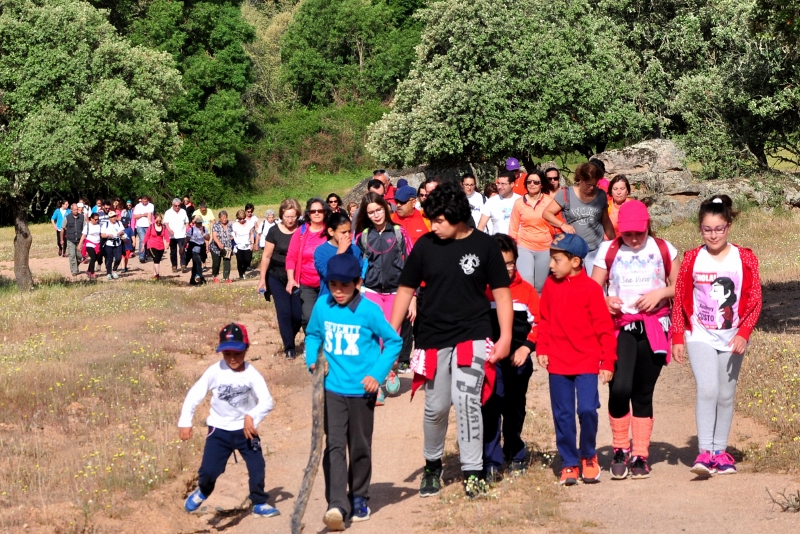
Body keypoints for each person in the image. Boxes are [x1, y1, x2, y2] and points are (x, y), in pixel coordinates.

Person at [388, 182, 513, 499]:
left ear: (457, 217)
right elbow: (405, 290)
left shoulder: (485, 247)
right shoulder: (425, 247)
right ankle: (432, 465)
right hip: (432, 335)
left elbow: (502, 293)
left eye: (440, 219)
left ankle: (474, 471)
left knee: (467, 400)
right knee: (437, 407)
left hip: (473, 332)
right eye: (431, 219)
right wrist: (391, 334)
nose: (434, 225)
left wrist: (507, 336)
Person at [305, 254, 402, 530]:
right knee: (334, 445)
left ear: (358, 283)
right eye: (333, 284)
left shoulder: (370, 311)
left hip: (362, 392)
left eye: (345, 285)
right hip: (332, 390)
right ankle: (336, 503)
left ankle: (359, 496)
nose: (338, 290)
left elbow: (394, 342)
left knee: (359, 446)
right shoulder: (323, 307)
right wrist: (312, 360)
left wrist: (377, 375)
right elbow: (313, 335)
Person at [671, 195, 762, 477]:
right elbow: (680, 297)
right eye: (707, 229)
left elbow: (755, 298)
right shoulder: (691, 259)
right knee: (708, 390)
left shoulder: (744, 257)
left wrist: (744, 333)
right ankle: (705, 452)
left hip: (733, 337)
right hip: (700, 334)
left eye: (719, 228)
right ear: (700, 228)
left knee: (726, 395)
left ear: (729, 226)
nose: (713, 234)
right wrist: (677, 337)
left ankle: (721, 453)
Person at [590, 200, 680, 479]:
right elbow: (591, 289)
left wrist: (661, 294)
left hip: (654, 327)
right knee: (619, 388)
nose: (633, 239)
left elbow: (680, 287)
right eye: (627, 234)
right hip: (620, 327)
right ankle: (619, 448)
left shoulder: (664, 248)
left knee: (643, 392)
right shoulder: (609, 249)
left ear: (647, 226)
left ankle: (640, 454)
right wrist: (605, 300)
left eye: (638, 234)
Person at [536, 233, 617, 486]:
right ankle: (569, 462)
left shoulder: (592, 289)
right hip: (558, 362)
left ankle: (589, 455)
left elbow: (605, 329)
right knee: (563, 414)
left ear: (575, 261)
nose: (551, 265)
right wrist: (542, 348)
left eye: (556, 259)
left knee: (586, 410)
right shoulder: (550, 285)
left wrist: (607, 362)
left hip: (586, 362)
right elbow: (544, 320)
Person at [179, 323, 279, 519]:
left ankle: (259, 502)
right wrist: (185, 421)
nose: (232, 359)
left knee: (257, 467)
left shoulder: (251, 374)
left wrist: (252, 416)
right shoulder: (215, 371)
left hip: (246, 430)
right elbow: (194, 394)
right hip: (219, 430)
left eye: (237, 353)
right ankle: (203, 491)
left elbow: (267, 400)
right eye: (227, 354)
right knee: (209, 471)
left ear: (247, 349)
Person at [482, 234, 540, 484]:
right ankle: (492, 459)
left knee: (515, 408)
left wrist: (526, 348)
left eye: (510, 263)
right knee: (492, 407)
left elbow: (540, 323)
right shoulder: (481, 291)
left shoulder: (526, 291)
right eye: (499, 263)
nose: (505, 269)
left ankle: (515, 449)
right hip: (490, 362)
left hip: (518, 360)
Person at [355, 193, 413, 404]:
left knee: (391, 335)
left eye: (378, 210)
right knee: (374, 337)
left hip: (396, 292)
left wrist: (413, 296)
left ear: (386, 208)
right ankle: (376, 386)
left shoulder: (399, 233)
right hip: (370, 291)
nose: (376, 215)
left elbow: (412, 266)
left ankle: (391, 368)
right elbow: (356, 265)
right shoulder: (362, 237)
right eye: (371, 212)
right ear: (366, 214)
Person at [543, 162, 616, 272]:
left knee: (594, 284)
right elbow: (546, 213)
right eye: (588, 184)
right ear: (580, 179)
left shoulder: (601, 195)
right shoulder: (566, 194)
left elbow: (606, 221)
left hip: (596, 248)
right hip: (574, 250)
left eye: (594, 185)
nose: (591, 188)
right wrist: (562, 225)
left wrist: (614, 243)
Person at [258, 199, 303, 359]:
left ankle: (288, 335)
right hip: (276, 275)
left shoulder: (302, 230)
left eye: (293, 216)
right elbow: (266, 256)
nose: (290, 220)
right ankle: (289, 348)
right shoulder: (274, 232)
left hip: (297, 275)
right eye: (287, 216)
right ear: (281, 215)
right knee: (284, 311)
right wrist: (262, 279)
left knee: (298, 314)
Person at [286, 198, 330, 333]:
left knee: (326, 317)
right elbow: (291, 256)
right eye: (313, 211)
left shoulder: (330, 231)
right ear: (308, 214)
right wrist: (291, 279)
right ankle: (311, 344)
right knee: (308, 316)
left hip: (327, 283)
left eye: (320, 211)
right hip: (306, 283)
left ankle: (326, 347)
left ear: (325, 212)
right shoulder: (301, 232)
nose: (316, 213)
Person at [508, 169, 556, 294]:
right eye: (529, 182)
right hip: (524, 247)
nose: (532, 184)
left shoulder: (550, 201)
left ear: (541, 184)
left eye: (536, 182)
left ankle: (537, 312)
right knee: (527, 283)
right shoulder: (518, 203)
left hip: (545, 248)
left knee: (540, 286)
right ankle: (527, 312)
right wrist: (513, 249)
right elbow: (513, 228)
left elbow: (556, 224)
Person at [314, 212, 361, 297]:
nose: (347, 235)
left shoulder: (355, 249)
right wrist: (340, 252)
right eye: (343, 232)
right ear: (331, 231)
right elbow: (327, 274)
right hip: (329, 299)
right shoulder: (321, 251)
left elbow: (360, 273)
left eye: (349, 231)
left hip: (351, 299)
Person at [163, 198, 190, 274]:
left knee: (182, 250)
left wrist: (187, 231)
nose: (177, 207)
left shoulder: (183, 211)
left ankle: (183, 265)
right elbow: (165, 223)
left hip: (182, 235)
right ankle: (174, 266)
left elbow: (187, 222)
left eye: (179, 205)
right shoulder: (168, 212)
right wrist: (169, 230)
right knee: (173, 252)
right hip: (172, 236)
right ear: (172, 205)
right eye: (176, 206)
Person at [101, 211, 126, 280]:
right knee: (109, 259)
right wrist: (108, 235)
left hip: (118, 242)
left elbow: (123, 231)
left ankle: (114, 270)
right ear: (109, 218)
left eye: (115, 216)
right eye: (112, 217)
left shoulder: (119, 223)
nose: (114, 218)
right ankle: (109, 273)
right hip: (109, 243)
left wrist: (120, 232)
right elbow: (102, 235)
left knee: (118, 258)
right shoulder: (105, 224)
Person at [210, 210, 234, 283]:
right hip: (216, 248)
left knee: (227, 261)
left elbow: (233, 233)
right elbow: (214, 236)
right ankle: (215, 276)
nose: (224, 219)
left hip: (227, 247)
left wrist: (233, 237)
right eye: (222, 217)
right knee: (216, 263)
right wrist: (219, 243)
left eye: (225, 217)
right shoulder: (216, 225)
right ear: (219, 218)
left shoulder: (230, 224)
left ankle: (226, 278)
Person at [143, 212, 169, 280]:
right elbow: (146, 236)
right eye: (157, 220)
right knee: (156, 259)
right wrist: (143, 245)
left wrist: (167, 243)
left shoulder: (164, 227)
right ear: (154, 220)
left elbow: (166, 236)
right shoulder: (151, 227)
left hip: (160, 246)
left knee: (157, 261)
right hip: (151, 245)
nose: (158, 222)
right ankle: (157, 275)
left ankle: (154, 275)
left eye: (160, 221)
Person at [186, 214, 210, 285]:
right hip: (193, 250)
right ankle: (201, 278)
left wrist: (202, 232)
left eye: (201, 222)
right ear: (195, 222)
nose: (200, 224)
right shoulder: (191, 229)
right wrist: (182, 247)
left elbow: (208, 238)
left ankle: (192, 280)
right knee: (198, 262)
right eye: (198, 222)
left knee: (195, 265)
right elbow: (187, 239)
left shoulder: (204, 229)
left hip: (201, 250)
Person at [61, 203, 85, 276]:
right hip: (70, 239)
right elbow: (62, 228)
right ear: (71, 210)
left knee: (80, 256)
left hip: (79, 240)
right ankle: (74, 271)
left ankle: (75, 266)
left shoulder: (82, 217)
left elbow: (85, 229)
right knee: (72, 255)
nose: (76, 211)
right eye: (74, 210)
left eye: (77, 209)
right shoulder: (67, 218)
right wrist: (61, 239)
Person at [232, 209, 255, 280]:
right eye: (240, 219)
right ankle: (241, 275)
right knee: (240, 260)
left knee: (248, 260)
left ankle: (243, 271)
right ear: (237, 218)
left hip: (247, 245)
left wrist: (252, 243)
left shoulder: (249, 224)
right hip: (238, 246)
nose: (242, 220)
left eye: (243, 218)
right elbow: (233, 235)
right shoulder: (235, 225)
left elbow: (251, 234)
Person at [80, 213, 102, 280]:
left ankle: (89, 270)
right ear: (91, 219)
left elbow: (101, 234)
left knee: (95, 258)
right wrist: (80, 244)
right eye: (95, 219)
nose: (97, 221)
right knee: (93, 257)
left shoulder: (99, 226)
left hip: (97, 244)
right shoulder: (87, 226)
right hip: (89, 244)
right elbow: (83, 235)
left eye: (98, 219)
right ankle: (92, 273)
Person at [132, 196, 154, 262]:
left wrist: (150, 222)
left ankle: (146, 254)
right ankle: (141, 256)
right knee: (142, 240)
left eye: (146, 201)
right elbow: (135, 216)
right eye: (143, 201)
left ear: (148, 200)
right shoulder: (138, 206)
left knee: (147, 240)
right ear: (141, 200)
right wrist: (143, 215)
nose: (144, 203)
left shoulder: (151, 205)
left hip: (148, 225)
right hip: (140, 225)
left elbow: (149, 213)